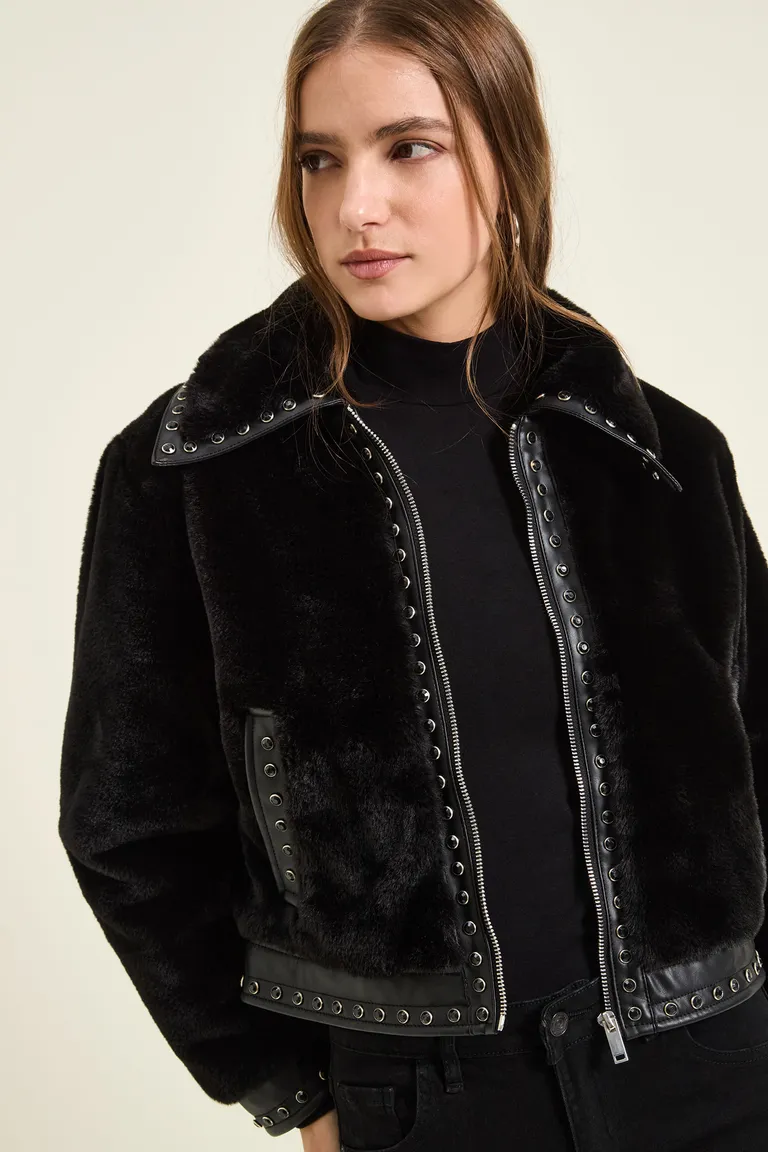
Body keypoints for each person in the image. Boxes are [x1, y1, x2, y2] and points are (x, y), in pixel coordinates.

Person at [58, 1, 768, 1149]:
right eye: (320, 160)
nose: (357, 206)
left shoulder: (661, 455)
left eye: (410, 147)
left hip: (716, 1063)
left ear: (510, 156)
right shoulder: (195, 469)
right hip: (422, 1093)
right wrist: (289, 1091)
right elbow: (126, 824)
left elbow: (755, 749)